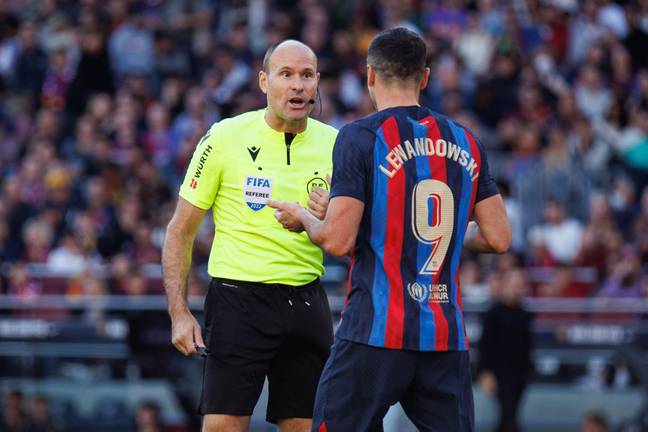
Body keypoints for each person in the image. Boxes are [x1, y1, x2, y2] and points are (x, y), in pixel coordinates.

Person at [268, 27, 511, 431]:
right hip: (443, 338)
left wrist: (305, 217)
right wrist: (447, 231)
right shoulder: (466, 140)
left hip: (374, 333)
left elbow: (337, 239)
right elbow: (499, 237)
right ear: (425, 77)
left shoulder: (361, 137)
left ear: (370, 76)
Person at [162, 40, 337, 432]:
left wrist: (330, 218)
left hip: (307, 299)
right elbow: (180, 229)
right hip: (239, 301)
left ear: (317, 83)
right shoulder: (224, 137)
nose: (297, 86)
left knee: (306, 426)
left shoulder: (337, 144)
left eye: (306, 76)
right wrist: (178, 312)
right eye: (286, 75)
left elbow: (352, 234)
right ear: (263, 82)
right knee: (223, 425)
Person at [478, 268, 533, 432]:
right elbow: (485, 345)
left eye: (521, 285)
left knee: (509, 417)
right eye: (514, 284)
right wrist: (485, 372)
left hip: (519, 374)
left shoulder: (525, 314)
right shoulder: (493, 313)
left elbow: (527, 346)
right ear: (504, 286)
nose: (517, 288)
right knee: (509, 418)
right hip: (499, 374)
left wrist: (528, 372)